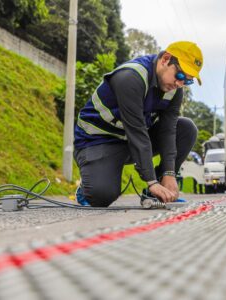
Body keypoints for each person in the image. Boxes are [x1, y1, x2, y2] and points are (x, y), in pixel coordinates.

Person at [73, 41, 203, 207]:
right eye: (180, 75)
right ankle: (86, 189)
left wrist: (168, 174)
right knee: (102, 196)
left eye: (187, 81)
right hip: (98, 141)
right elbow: (137, 130)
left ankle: (157, 193)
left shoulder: (174, 90)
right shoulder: (131, 77)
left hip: (130, 140)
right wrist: (151, 181)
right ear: (165, 59)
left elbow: (168, 131)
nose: (180, 84)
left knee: (186, 128)